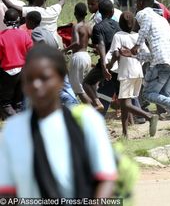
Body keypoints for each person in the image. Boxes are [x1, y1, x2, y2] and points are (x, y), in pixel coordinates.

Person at [0, 44, 117, 198]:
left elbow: (105, 179)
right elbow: (8, 191)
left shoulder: (87, 121)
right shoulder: (14, 129)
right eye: (30, 79)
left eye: (44, 78)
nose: (36, 85)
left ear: (62, 80)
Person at [119, 0, 170, 134]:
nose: (136, 5)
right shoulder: (161, 19)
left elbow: (145, 29)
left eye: (136, 2)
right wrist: (134, 55)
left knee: (147, 94)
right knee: (164, 96)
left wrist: (135, 47)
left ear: (140, 2)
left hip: (163, 60)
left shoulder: (142, 14)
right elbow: (153, 54)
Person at [107, 11, 159, 137]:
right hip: (138, 72)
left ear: (120, 23)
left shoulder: (118, 36)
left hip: (126, 73)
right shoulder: (138, 36)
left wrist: (109, 66)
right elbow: (147, 55)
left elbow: (116, 54)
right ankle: (125, 134)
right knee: (126, 104)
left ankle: (149, 116)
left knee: (125, 103)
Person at [0, 0, 65, 48]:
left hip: (39, 50)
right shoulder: (53, 10)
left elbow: (10, 5)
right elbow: (62, 0)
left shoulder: (32, 11)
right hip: (54, 48)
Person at [83, 0, 121, 111]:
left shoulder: (98, 27)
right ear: (113, 12)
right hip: (118, 61)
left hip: (107, 62)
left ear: (99, 11)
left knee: (87, 83)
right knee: (120, 93)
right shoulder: (118, 26)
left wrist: (104, 66)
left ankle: (97, 103)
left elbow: (101, 45)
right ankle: (129, 119)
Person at [0, 9, 33, 118]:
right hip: (23, 71)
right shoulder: (24, 34)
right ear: (18, 20)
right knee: (18, 103)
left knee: (5, 103)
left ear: (4, 20)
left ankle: (16, 123)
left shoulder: (1, 36)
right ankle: (21, 124)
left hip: (7, 72)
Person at [63, 3, 92, 104]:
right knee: (82, 86)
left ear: (75, 13)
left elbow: (76, 43)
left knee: (77, 88)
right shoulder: (89, 26)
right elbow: (89, 41)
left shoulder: (76, 26)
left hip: (78, 56)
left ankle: (92, 108)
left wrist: (64, 50)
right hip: (87, 56)